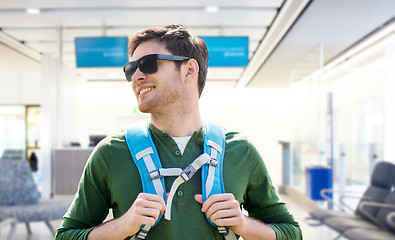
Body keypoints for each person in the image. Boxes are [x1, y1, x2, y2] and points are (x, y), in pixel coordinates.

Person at [55, 24, 302, 240]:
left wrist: (244, 224)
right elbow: (66, 235)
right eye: (131, 69)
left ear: (189, 70)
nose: (137, 76)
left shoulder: (240, 150)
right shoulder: (111, 152)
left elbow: (291, 232)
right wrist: (121, 227)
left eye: (148, 64)